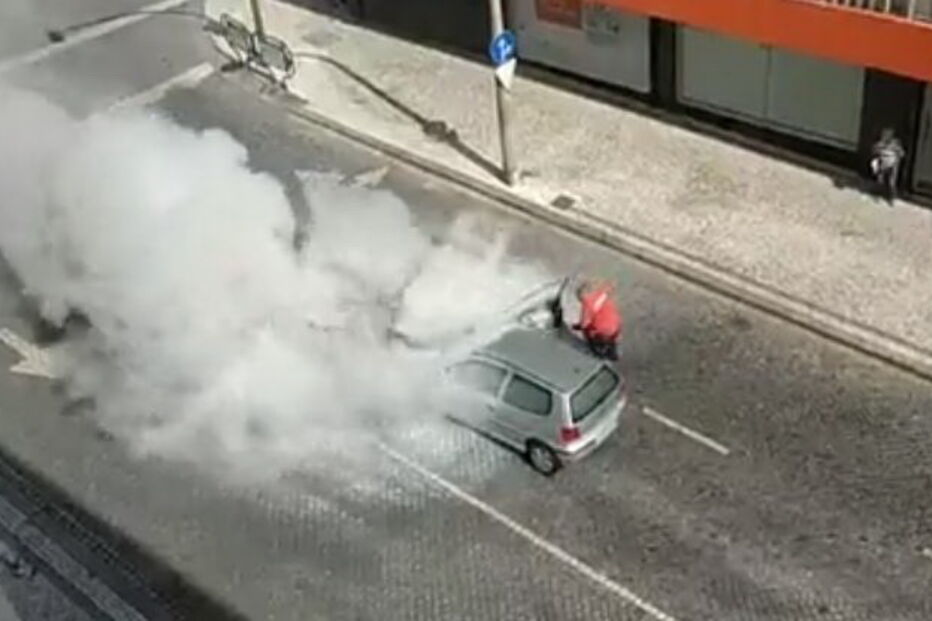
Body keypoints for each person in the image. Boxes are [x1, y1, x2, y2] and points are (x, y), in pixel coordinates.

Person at [571, 279, 622, 360]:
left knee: (587, 330)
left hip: (603, 331)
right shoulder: (600, 294)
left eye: (579, 299)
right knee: (607, 323)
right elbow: (610, 288)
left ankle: (595, 351)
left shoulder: (587, 302)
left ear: (582, 295)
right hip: (616, 328)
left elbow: (584, 324)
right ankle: (613, 350)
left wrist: (576, 326)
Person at [871, 128, 905, 204]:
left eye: (887, 135)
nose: (885, 137)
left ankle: (891, 198)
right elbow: (874, 151)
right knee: (880, 180)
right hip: (883, 163)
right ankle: (879, 195)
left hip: (892, 164)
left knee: (891, 182)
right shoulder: (881, 143)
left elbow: (902, 154)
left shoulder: (895, 144)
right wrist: (878, 149)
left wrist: (897, 155)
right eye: (884, 135)